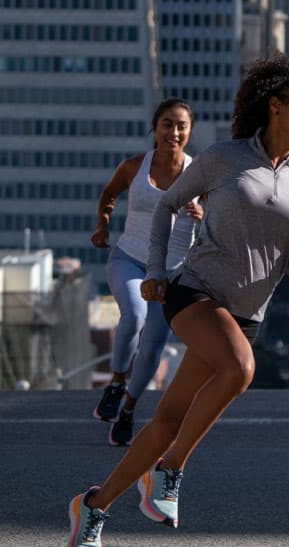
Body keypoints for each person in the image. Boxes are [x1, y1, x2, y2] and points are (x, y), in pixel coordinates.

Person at [67, 54, 289, 547]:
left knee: (169, 417)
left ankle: (94, 506)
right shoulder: (224, 157)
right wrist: (154, 271)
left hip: (245, 316)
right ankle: (170, 472)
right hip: (194, 292)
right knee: (240, 369)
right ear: (276, 106)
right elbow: (168, 204)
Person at [90, 99, 204, 447]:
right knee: (134, 315)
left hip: (173, 273)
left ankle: (127, 410)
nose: (174, 132)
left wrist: (202, 213)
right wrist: (102, 226)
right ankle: (116, 381)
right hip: (130, 259)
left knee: (154, 346)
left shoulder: (200, 173)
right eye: (167, 124)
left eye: (181, 126)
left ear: (190, 131)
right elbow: (109, 194)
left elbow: (219, 219)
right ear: (155, 128)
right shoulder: (134, 167)